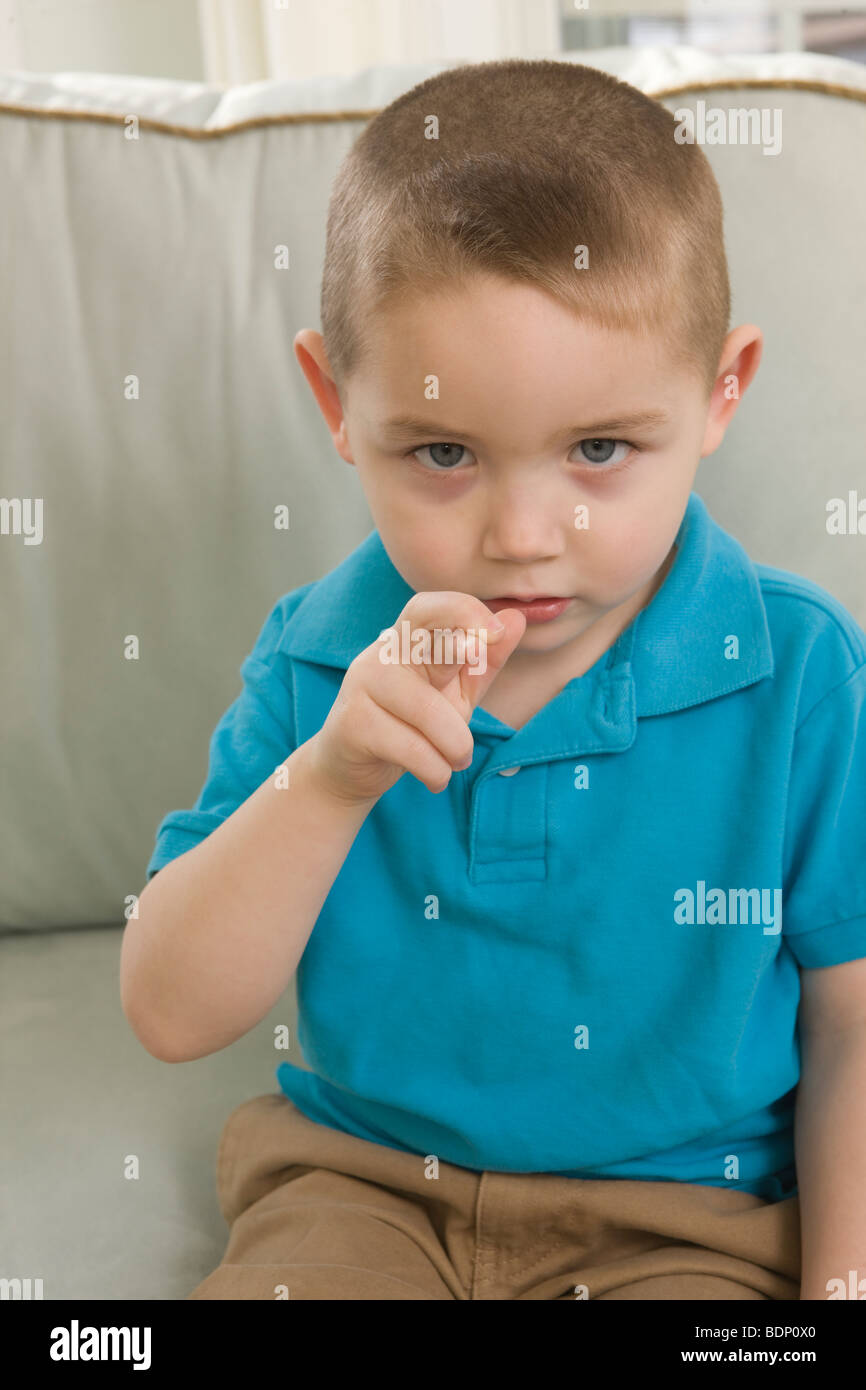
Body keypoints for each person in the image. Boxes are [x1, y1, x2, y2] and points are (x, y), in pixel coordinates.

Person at [120, 59, 866, 1300]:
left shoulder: (797, 673)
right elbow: (170, 1011)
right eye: (446, 452)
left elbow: (850, 1022)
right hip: (360, 1189)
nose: (524, 533)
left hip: (687, 1221)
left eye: (597, 449)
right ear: (336, 405)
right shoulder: (315, 658)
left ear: (717, 393)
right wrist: (328, 782)